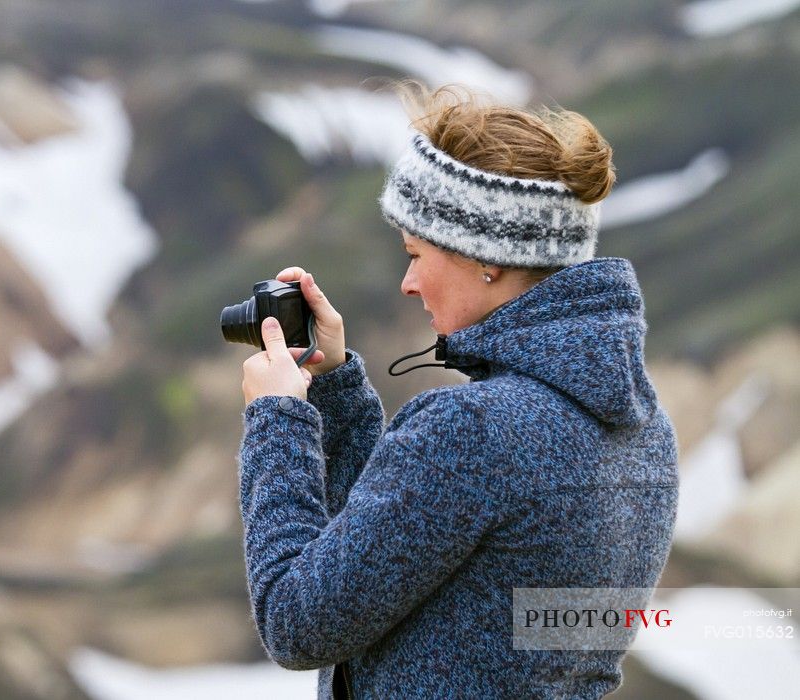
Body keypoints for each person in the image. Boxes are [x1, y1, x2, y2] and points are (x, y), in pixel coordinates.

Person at [237, 84, 678, 699]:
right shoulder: (646, 432)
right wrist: (333, 389)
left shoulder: (473, 430)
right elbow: (399, 556)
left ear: (484, 258)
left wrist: (278, 420)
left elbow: (297, 623)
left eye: (416, 253)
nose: (407, 283)